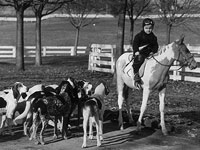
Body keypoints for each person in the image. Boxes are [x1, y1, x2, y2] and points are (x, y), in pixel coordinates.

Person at [132, 18, 158, 88]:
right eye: (146, 28)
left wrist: (154, 51)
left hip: (150, 54)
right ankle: (136, 74)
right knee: (139, 59)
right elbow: (135, 44)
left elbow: (155, 46)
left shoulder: (154, 37)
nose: (148, 30)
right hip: (141, 53)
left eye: (150, 28)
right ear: (143, 27)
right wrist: (136, 51)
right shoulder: (139, 36)